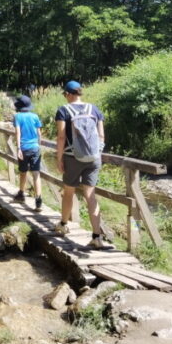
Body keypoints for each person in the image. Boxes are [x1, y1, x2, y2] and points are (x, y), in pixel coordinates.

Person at [54, 80, 112, 249]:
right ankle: (96, 236)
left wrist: (59, 159)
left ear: (69, 94)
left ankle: (63, 224)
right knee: (90, 195)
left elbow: (61, 137)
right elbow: (101, 136)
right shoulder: (94, 109)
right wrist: (96, 154)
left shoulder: (63, 111)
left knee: (69, 192)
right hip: (94, 158)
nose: (65, 97)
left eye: (65, 94)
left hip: (72, 157)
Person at [11, 95, 43, 210]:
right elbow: (39, 133)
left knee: (23, 172)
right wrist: (39, 146)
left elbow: (18, 133)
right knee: (36, 174)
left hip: (24, 148)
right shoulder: (35, 116)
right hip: (35, 148)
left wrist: (19, 148)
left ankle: (21, 194)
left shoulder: (17, 117)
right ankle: (38, 200)